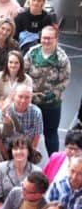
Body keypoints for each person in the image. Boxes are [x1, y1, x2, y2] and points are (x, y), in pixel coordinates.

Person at [24, 26, 70, 154]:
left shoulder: (61, 58)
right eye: (44, 38)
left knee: (51, 134)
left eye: (49, 38)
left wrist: (53, 94)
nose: (46, 41)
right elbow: (23, 74)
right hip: (30, 102)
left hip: (51, 103)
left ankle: (54, 162)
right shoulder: (32, 53)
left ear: (56, 39)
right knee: (28, 134)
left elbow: (65, 80)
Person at [0, 135, 42, 205]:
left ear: (28, 151)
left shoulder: (37, 171)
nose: (18, 152)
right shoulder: (0, 167)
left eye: (22, 148)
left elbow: (37, 198)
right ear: (11, 151)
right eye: (15, 149)